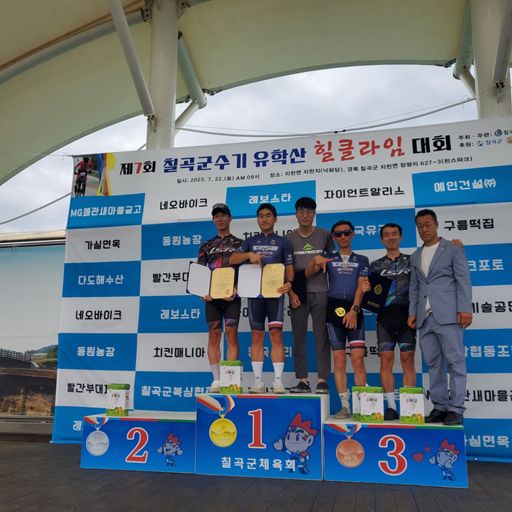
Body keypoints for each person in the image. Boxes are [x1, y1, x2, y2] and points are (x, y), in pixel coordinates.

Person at [407, 209, 472, 426]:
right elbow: (415, 288)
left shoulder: (453, 249)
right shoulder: (415, 255)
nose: (424, 229)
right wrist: (413, 313)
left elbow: (463, 279)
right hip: (424, 318)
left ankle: (456, 408)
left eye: (428, 225)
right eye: (420, 226)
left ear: (436, 224)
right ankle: (440, 406)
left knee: (455, 362)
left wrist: (465, 308)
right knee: (433, 364)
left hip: (449, 314)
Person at [306, 220, 369, 418]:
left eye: (346, 233)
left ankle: (361, 406)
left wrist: (354, 309)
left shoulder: (362, 259)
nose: (342, 237)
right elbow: (308, 274)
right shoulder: (328, 258)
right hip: (333, 309)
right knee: (339, 360)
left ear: (352, 234)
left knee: (357, 359)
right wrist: (315, 260)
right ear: (333, 237)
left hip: (354, 308)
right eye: (338, 234)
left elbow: (361, 285)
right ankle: (345, 406)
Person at [230, 203, 294, 394]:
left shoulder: (283, 242)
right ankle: (258, 381)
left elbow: (289, 268)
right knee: (257, 336)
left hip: (275, 295)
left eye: (268, 215)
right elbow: (232, 259)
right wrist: (248, 254)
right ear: (257, 219)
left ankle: (278, 381)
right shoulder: (250, 241)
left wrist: (289, 283)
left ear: (275, 219)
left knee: (276, 335)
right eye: (261, 216)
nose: (264, 219)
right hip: (255, 296)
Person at [368, 223, 416, 420]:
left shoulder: (412, 261)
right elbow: (368, 293)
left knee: (408, 360)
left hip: (407, 318)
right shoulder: (375, 265)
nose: (391, 237)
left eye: (394, 234)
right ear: (382, 239)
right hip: (384, 319)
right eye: (386, 235)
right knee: (386, 360)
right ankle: (391, 406)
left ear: (401, 236)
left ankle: (409, 408)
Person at [286, 197, 333, 394]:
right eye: (301, 211)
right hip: (298, 292)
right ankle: (303, 380)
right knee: (298, 337)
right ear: (296, 214)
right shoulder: (289, 238)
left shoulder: (325, 235)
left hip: (321, 291)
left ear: (314, 213)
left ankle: (322, 379)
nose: (305, 215)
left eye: (309, 211)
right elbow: (286, 269)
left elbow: (331, 261)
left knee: (322, 336)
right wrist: (291, 292)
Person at [197, 203, 242, 393]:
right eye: (217, 216)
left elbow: (244, 271)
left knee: (231, 333)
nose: (220, 219)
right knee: (214, 334)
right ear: (213, 219)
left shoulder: (240, 244)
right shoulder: (206, 245)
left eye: (223, 215)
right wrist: (202, 291)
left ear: (230, 218)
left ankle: (230, 379)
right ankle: (216, 380)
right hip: (212, 298)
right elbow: (200, 272)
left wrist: (237, 288)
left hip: (232, 296)